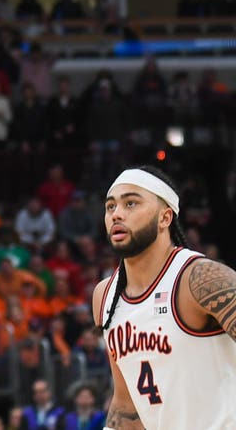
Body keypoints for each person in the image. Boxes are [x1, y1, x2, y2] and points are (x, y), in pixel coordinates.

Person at [93, 165, 236, 428]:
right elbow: (127, 405)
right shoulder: (105, 296)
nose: (117, 214)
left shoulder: (200, 279)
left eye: (131, 203)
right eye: (110, 207)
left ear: (165, 218)